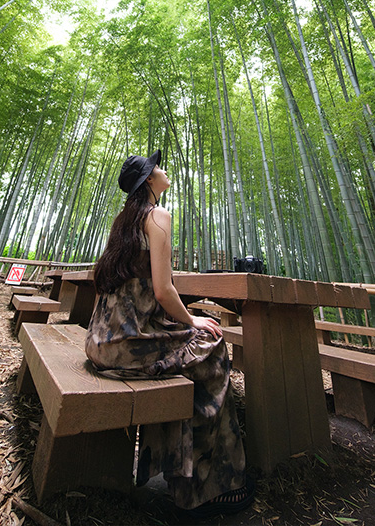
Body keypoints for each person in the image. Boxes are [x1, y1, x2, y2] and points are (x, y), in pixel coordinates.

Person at [85, 150, 254, 518]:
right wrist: (192, 320)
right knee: (212, 347)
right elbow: (163, 291)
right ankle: (207, 486)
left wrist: (181, 322)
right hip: (127, 345)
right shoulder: (158, 216)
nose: (163, 170)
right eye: (157, 167)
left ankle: (176, 466)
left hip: (100, 341)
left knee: (190, 350)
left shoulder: (123, 222)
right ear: (149, 180)